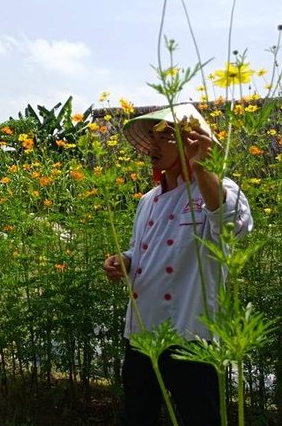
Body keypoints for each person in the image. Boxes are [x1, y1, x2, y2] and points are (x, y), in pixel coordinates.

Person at [103, 103, 253, 425]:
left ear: (193, 141)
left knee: (200, 417)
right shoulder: (148, 200)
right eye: (152, 138)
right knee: (138, 416)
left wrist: (202, 167)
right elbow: (144, 252)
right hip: (142, 333)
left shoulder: (218, 191)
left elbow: (230, 227)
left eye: (165, 137)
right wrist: (126, 261)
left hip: (192, 335)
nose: (153, 146)